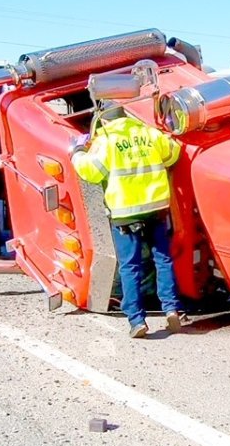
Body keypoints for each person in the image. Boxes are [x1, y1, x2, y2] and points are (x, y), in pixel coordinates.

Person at [70, 104, 188, 339]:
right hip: (156, 208)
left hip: (125, 214)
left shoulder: (106, 140)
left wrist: (77, 151)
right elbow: (173, 153)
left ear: (104, 120)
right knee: (163, 260)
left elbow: (91, 172)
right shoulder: (149, 133)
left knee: (130, 266)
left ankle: (136, 320)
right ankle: (171, 309)